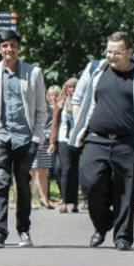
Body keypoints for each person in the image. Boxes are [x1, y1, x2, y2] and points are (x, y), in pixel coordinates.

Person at [66, 31, 134, 250]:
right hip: (95, 138)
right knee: (91, 185)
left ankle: (123, 237)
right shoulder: (94, 69)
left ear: (130, 52)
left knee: (126, 191)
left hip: (128, 142)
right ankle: (103, 223)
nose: (111, 56)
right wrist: (79, 122)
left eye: (117, 52)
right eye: (109, 51)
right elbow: (78, 98)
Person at [0, 30, 49, 248]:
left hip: (25, 138)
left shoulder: (33, 73)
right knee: (1, 182)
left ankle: (24, 230)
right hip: (0, 137)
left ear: (18, 48)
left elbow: (41, 110)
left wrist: (36, 138)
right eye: (5, 45)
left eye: (13, 45)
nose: (9, 49)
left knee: (23, 185)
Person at [53, 77, 81, 213]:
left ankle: (74, 202)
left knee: (75, 170)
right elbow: (55, 123)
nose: (72, 90)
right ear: (65, 88)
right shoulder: (61, 103)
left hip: (77, 140)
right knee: (65, 169)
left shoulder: (80, 102)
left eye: (74, 87)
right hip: (63, 139)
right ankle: (64, 200)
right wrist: (52, 142)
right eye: (69, 87)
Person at [32, 84, 62, 208]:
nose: (53, 98)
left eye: (55, 95)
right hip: (39, 140)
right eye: (50, 95)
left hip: (51, 141)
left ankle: (44, 199)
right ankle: (32, 199)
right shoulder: (42, 108)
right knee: (34, 171)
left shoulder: (60, 108)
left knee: (43, 170)